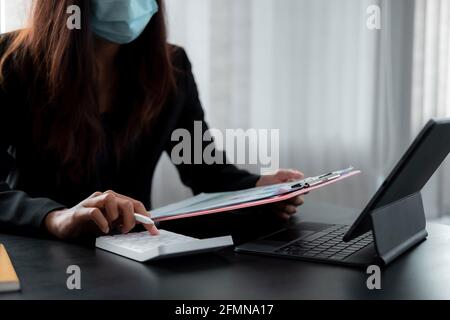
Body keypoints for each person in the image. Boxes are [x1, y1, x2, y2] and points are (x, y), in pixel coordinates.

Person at [0, 0, 304, 240]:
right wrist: (56, 218)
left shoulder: (173, 69)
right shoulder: (10, 61)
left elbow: (205, 170)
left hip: (135, 249)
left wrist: (260, 188)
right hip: (38, 250)